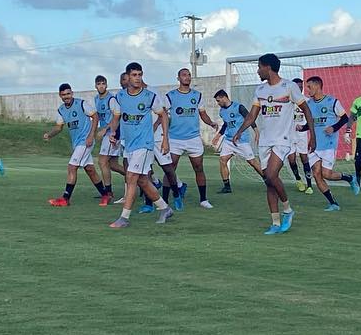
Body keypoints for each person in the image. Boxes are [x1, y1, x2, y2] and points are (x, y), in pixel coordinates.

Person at [231, 53, 312, 234]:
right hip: (265, 141)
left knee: (271, 175)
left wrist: (312, 135)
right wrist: (240, 131)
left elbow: (306, 109)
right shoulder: (260, 90)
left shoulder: (289, 86)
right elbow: (252, 115)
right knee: (269, 182)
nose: (257, 71)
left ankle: (288, 210)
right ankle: (275, 223)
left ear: (267, 67)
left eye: (259, 67)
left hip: (283, 140)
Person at [106, 62, 175, 228]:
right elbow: (116, 117)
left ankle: (124, 218)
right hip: (129, 144)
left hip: (144, 144)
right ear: (127, 77)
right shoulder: (120, 97)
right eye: (134, 75)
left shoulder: (149, 96)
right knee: (142, 180)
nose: (137, 78)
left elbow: (163, 115)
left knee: (131, 177)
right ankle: (165, 208)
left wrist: (165, 139)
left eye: (140, 75)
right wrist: (113, 133)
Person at [43, 83, 113, 206]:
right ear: (60, 95)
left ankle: (65, 198)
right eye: (64, 95)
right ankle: (105, 195)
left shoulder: (81, 104)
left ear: (72, 93)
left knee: (72, 167)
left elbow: (95, 116)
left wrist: (91, 135)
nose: (66, 96)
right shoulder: (61, 110)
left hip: (85, 142)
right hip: (77, 143)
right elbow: (59, 127)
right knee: (90, 170)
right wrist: (49, 134)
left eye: (68, 94)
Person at [304, 76, 361, 210]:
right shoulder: (309, 104)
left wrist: (333, 128)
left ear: (317, 86)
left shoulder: (332, 101)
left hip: (328, 144)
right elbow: (311, 123)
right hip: (314, 145)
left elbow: (345, 118)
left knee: (326, 175)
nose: (308, 90)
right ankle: (333, 203)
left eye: (309, 86)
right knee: (317, 175)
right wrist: (303, 127)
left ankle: (349, 178)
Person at [164, 68, 216, 209]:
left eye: (189, 75)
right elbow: (162, 114)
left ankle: (203, 199)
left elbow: (203, 114)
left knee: (199, 168)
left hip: (193, 138)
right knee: (170, 169)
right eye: (184, 75)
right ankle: (163, 200)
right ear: (178, 78)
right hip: (175, 138)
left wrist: (211, 122)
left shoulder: (197, 95)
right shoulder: (171, 96)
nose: (187, 77)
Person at [213, 89, 260, 191]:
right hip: (229, 141)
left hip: (241, 140)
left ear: (224, 97)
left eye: (218, 101)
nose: (218, 103)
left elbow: (250, 118)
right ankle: (227, 187)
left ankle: (268, 180)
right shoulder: (222, 111)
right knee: (222, 160)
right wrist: (218, 136)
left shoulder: (239, 107)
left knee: (252, 162)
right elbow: (226, 124)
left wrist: (256, 131)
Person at [93, 74, 126, 198]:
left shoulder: (111, 99)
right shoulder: (96, 99)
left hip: (112, 133)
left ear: (106, 85)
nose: (101, 86)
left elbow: (116, 116)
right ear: (95, 86)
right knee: (112, 165)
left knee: (102, 161)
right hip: (106, 133)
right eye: (99, 84)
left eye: (103, 84)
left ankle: (108, 192)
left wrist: (105, 129)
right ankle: (138, 178)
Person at [290, 78, 313, 193]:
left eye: (301, 87)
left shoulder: (306, 101)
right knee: (292, 159)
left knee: (304, 158)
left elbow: (310, 119)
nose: (299, 88)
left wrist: (305, 127)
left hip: (302, 135)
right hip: (289, 135)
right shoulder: (287, 100)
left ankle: (309, 185)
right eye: (297, 87)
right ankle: (298, 180)